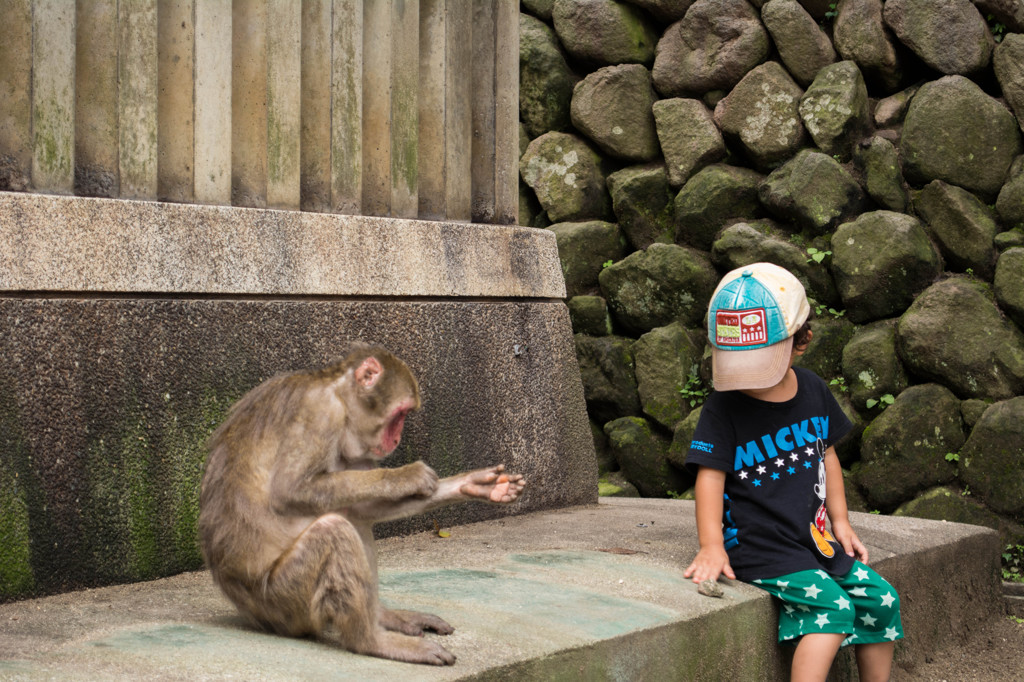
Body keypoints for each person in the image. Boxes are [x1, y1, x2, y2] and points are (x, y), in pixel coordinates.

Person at [683, 263, 903, 682]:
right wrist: (711, 545)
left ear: (801, 341)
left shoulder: (815, 390)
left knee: (882, 600)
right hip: (761, 548)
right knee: (834, 610)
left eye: (758, 360)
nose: (746, 375)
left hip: (812, 540)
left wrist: (841, 521)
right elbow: (708, 477)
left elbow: (828, 457)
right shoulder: (723, 406)